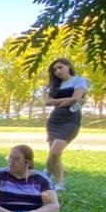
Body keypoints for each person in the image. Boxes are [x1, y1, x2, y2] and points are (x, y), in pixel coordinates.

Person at [44, 57, 87, 191]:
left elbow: (77, 98)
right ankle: (60, 184)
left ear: (68, 66)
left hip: (70, 119)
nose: (57, 71)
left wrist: (59, 102)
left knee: (55, 152)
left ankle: (44, 176)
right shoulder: (55, 85)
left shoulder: (79, 80)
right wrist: (67, 100)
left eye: (60, 67)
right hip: (54, 120)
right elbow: (47, 102)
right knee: (55, 154)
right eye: (55, 69)